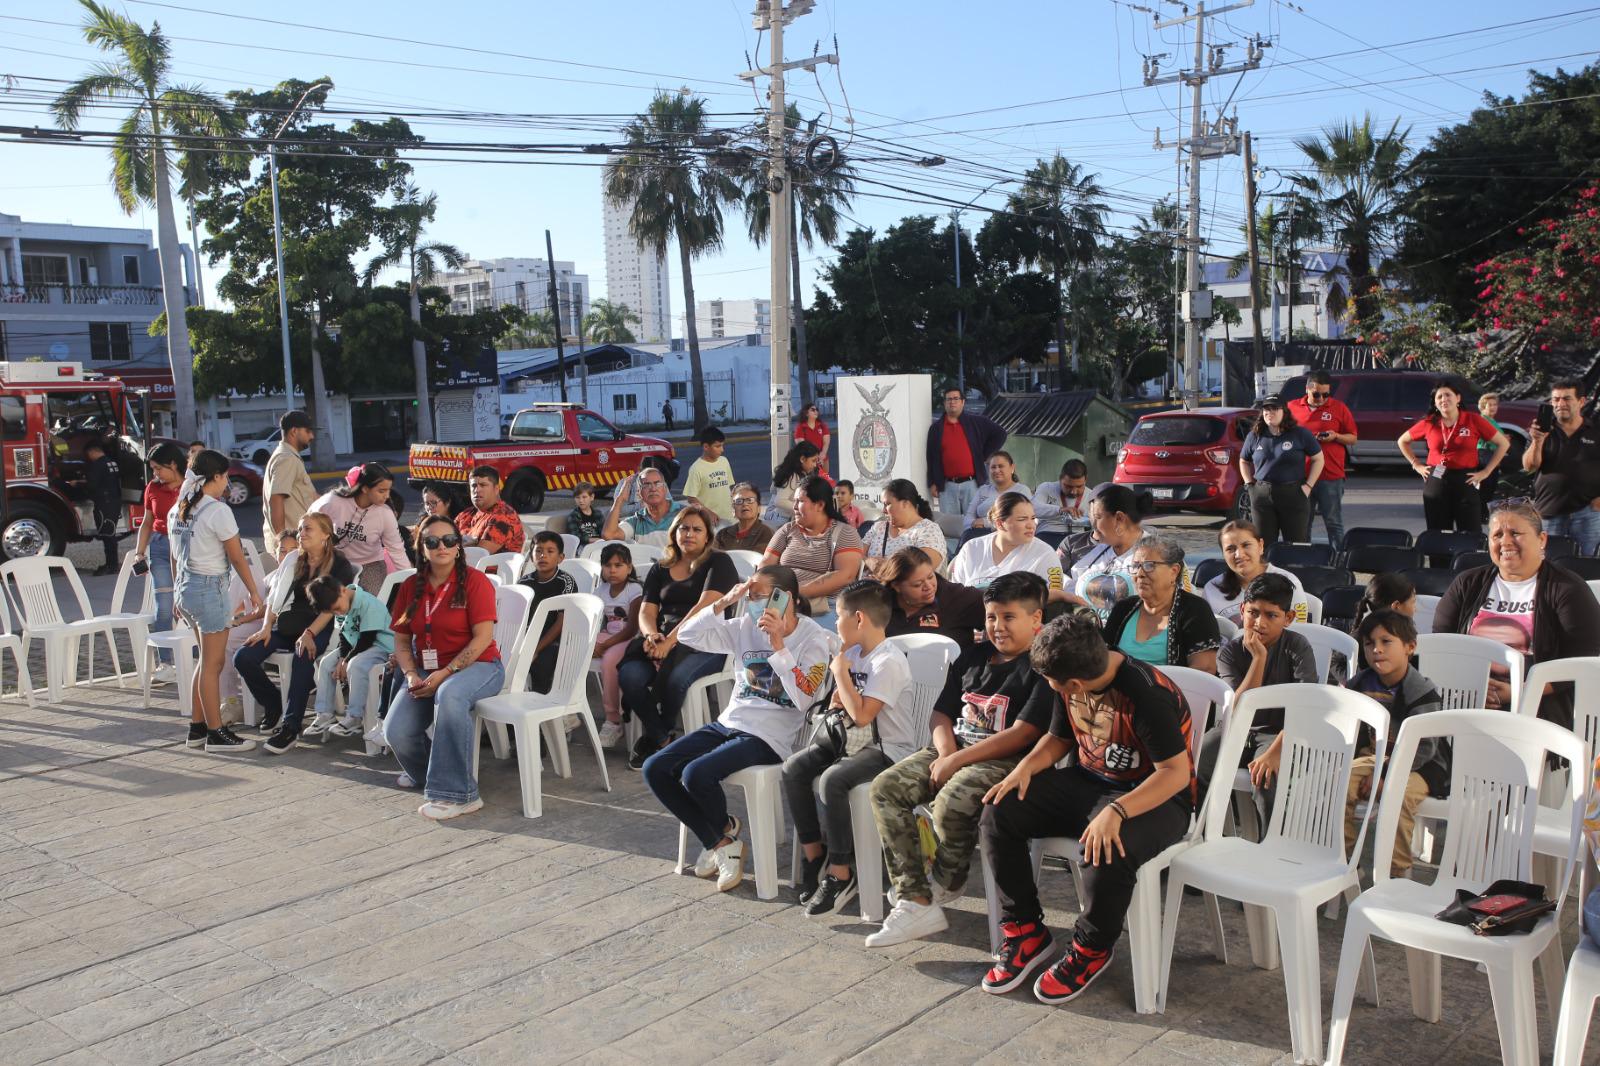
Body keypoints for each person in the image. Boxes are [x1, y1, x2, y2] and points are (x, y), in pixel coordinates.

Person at [978, 613, 1194, 1004]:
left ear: (1074, 684)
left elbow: (1175, 774)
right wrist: (1023, 770)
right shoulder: (1074, 675)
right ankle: (1025, 930)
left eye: (1051, 683)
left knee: (1107, 843)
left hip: (1156, 796)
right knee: (1000, 811)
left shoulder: (1145, 695)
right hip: (1091, 782)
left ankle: (1091, 948)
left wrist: (1118, 811)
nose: (1049, 686)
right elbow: (1058, 738)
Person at [865, 573, 1054, 948]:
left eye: (1008, 617)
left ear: (1036, 620)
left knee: (954, 798)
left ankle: (946, 881)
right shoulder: (972, 656)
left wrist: (957, 761)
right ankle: (915, 897)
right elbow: (941, 714)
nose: (997, 627)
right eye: (991, 617)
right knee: (886, 788)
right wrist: (947, 753)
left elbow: (1023, 734)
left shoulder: (1042, 666)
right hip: (953, 748)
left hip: (1008, 760)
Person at [644, 565, 832, 892]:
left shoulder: (814, 638)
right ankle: (721, 840)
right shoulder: (746, 625)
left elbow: (804, 698)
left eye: (759, 596)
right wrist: (723, 603)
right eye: (751, 594)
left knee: (696, 774)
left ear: (786, 597)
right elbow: (688, 636)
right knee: (655, 768)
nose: (753, 602)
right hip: (729, 722)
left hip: (769, 736)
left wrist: (778, 645)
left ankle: (718, 840)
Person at [783, 581, 914, 916]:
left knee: (833, 780)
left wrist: (840, 674)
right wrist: (840, 689)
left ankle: (841, 871)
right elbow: (845, 707)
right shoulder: (854, 652)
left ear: (858, 618)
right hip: (850, 740)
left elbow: (863, 714)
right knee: (795, 768)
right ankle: (816, 856)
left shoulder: (888, 661)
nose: (835, 624)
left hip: (888, 749)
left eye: (838, 616)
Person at [1434, 499, 1600, 721]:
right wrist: (1472, 689)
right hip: (1468, 697)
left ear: (1542, 539)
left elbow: (1581, 661)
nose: (1506, 542)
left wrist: (1517, 691)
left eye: (1515, 533)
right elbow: (1442, 645)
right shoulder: (1467, 583)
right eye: (1497, 535)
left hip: (1539, 706)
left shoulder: (1568, 589)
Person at [385, 516, 505, 819]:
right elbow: (401, 642)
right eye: (432, 541)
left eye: (450, 540)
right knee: (396, 731)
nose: (442, 547)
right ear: (421, 548)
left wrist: (445, 673)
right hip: (427, 669)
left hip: (478, 665)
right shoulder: (411, 586)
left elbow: (482, 639)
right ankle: (434, 776)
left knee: (450, 695)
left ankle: (461, 794)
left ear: (459, 546)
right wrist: (412, 674)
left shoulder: (475, 582)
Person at [619, 505, 739, 768]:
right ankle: (662, 739)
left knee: (676, 680)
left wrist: (671, 641)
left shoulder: (719, 562)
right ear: (674, 532)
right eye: (684, 528)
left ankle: (656, 734)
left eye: (697, 529)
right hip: (664, 639)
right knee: (629, 676)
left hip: (708, 641)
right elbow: (647, 610)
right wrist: (652, 637)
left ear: (707, 536)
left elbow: (704, 608)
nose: (689, 534)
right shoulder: (661, 567)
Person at [1196, 573, 1319, 825]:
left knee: (1265, 777)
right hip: (1236, 729)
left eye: (1271, 615)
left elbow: (1306, 708)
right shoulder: (1230, 651)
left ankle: (1269, 846)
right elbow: (1239, 710)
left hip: (1283, 733)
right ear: (1242, 610)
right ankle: (1206, 835)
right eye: (1253, 612)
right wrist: (1258, 659)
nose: (1259, 623)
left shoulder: (1297, 647)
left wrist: (1277, 751)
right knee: (1195, 762)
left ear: (1288, 618)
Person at [236, 512, 357, 754]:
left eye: (308, 529)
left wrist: (309, 633)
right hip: (289, 624)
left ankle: (290, 727)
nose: (301, 534)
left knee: (303, 655)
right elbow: (275, 597)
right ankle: (273, 705)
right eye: (300, 529)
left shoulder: (340, 564)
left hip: (320, 625)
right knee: (243, 657)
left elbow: (332, 608)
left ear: (325, 535)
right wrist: (266, 627)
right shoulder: (294, 559)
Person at [1343, 609, 1447, 878]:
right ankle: (1345, 863)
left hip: (1419, 765)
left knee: (1395, 797)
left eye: (1386, 641)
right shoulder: (1358, 685)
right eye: (1369, 643)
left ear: (1409, 647)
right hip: (1374, 757)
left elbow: (1424, 748)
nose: (1376, 649)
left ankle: (1397, 873)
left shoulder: (1422, 692)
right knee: (1338, 786)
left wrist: (1385, 776)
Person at [170, 450, 261, 753]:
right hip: (209, 590)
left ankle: (197, 728)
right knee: (214, 664)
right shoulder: (217, 511)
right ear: (218, 476)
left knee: (205, 661)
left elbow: (176, 557)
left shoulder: (179, 509)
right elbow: (236, 556)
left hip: (186, 589)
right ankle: (215, 732)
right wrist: (253, 591)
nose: (228, 484)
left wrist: (176, 591)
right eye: (226, 478)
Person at [1397, 379, 1510, 535]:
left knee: (1470, 533)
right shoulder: (1429, 423)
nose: (1444, 400)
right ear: (1435, 403)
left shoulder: (1473, 420)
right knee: (1437, 533)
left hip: (1466, 479)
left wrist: (1487, 471)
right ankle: (1439, 560)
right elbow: (1402, 441)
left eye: (1448, 395)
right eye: (1439, 397)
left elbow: (1503, 444)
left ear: (1458, 398)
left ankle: (1467, 560)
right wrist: (1416, 464)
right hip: (1436, 478)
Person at [1101, 536, 1220, 673]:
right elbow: (1102, 659)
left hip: (1173, 691)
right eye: (1135, 566)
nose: (1139, 574)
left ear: (1174, 572)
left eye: (1149, 565)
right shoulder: (1124, 608)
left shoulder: (1195, 610)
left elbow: (1204, 669)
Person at [304, 574, 397, 741]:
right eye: (333, 611)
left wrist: (346, 660)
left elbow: (367, 640)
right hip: (356, 646)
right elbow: (344, 635)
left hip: (381, 646)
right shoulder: (338, 601)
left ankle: (355, 716)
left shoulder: (368, 603)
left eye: (337, 608)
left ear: (343, 591)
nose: (338, 613)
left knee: (356, 665)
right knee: (326, 663)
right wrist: (341, 658)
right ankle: (325, 713)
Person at [761, 475, 865, 618]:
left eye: (800, 501)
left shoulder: (845, 533)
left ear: (820, 505)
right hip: (782, 603)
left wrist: (796, 594)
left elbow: (845, 575)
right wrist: (767, 591)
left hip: (825, 608)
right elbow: (766, 563)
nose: (794, 507)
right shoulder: (787, 530)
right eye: (794, 501)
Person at [1523, 380, 1600, 556]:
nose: (1560, 404)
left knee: (1588, 567)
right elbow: (1529, 467)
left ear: (1581, 401)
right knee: (1548, 567)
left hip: (1588, 514)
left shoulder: (1596, 431)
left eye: (1566, 399)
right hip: (1548, 512)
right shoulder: (1541, 430)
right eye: (1556, 399)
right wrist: (1537, 441)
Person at [131, 441, 187, 678]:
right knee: (164, 607)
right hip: (160, 546)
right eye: (152, 469)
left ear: (173, 464)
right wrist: (139, 552)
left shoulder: (191, 487)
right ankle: (166, 664)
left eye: (158, 468)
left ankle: (193, 658)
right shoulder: (152, 488)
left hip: (187, 546)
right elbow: (147, 521)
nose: (155, 474)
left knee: (187, 604)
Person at [1239, 394, 1324, 546]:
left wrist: (1308, 485)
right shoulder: (1255, 435)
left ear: (1284, 411)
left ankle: (1293, 570)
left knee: (1296, 546)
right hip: (1262, 495)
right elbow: (1243, 460)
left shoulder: (1300, 434)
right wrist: (1249, 485)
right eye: (1266, 409)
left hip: (1293, 494)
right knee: (1263, 545)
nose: (1269, 412)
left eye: (1274, 408)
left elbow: (1318, 459)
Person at [309, 462, 407, 594]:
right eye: (381, 491)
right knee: (329, 602)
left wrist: (410, 579)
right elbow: (308, 522)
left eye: (388, 490)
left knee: (369, 605)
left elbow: (396, 549)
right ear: (365, 488)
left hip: (371, 565)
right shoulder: (333, 501)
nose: (387, 496)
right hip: (335, 562)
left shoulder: (385, 514)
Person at [1287, 370, 1358, 550]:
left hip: (1330, 475)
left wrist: (1335, 436)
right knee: (1303, 522)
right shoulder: (1292, 407)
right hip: (1301, 475)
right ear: (1307, 390)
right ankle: (1304, 557)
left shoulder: (1339, 407)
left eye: (1326, 394)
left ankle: (1339, 560)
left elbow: (1353, 437)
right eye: (1317, 394)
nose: (1321, 399)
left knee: (1333, 521)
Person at [1060, 485, 1157, 617]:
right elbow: (1072, 586)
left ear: (1119, 518)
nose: (1093, 524)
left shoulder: (1159, 555)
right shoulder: (1099, 551)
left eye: (1098, 517)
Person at [949, 492, 1064, 595]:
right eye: (1022, 519)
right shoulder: (971, 548)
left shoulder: (1045, 554)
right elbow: (957, 595)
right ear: (1000, 523)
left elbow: (1053, 598)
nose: (1031, 525)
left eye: (1033, 518)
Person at [1200, 520, 1309, 626]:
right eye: (1230, 549)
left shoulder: (1289, 583)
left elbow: (1300, 632)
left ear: (1260, 546)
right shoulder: (1211, 590)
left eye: (1246, 545)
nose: (1239, 555)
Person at [925, 385, 1007, 519]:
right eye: (949, 399)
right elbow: (931, 457)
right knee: (950, 526)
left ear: (963, 402)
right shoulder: (936, 428)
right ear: (944, 403)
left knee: (974, 522)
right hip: (947, 486)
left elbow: (1000, 434)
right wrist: (932, 482)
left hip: (972, 484)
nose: (952, 402)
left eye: (956, 399)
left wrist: (984, 455)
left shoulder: (976, 422)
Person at [593, 543, 644, 749]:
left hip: (629, 639)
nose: (612, 570)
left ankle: (613, 719)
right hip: (608, 635)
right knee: (573, 649)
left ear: (629, 568)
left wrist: (604, 645)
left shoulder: (634, 590)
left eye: (618, 565)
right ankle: (568, 710)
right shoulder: (600, 590)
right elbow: (595, 622)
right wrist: (592, 642)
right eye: (607, 565)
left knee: (609, 661)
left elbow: (632, 628)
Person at [518, 531, 580, 695]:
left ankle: (541, 704)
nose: (543, 555)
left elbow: (561, 622)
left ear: (561, 558)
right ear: (531, 556)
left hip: (557, 639)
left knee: (541, 664)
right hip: (530, 638)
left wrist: (536, 649)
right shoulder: (524, 582)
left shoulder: (566, 582)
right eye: (538, 551)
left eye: (550, 551)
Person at [861, 479, 946, 576]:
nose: (884, 510)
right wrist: (869, 561)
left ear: (905, 503)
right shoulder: (879, 527)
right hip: (868, 588)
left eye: (887, 504)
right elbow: (854, 556)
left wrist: (884, 567)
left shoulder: (929, 530)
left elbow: (921, 569)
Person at [262, 410, 316, 560]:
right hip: (292, 546)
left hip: (294, 544)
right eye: (308, 431)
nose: (312, 436)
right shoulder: (287, 458)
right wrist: (283, 541)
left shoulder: (287, 456)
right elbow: (276, 499)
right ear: (294, 431)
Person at [603, 464, 684, 547]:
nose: (653, 489)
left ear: (665, 488)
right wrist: (619, 499)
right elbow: (609, 535)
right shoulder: (637, 521)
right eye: (646, 485)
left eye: (657, 484)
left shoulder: (684, 514)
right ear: (639, 493)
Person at [455, 466, 525, 554]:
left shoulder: (503, 516)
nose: (477, 490)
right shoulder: (467, 514)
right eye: (473, 485)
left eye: (483, 485)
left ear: (496, 489)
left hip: (490, 567)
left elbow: (479, 555)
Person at [79, 438, 123, 576]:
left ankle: (111, 565)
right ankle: (112, 564)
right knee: (110, 533)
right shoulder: (112, 462)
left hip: (104, 503)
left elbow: (92, 484)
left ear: (92, 452)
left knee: (107, 535)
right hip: (114, 501)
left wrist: (79, 484)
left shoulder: (98, 465)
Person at [963, 450, 1030, 537]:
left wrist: (985, 523)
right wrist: (973, 524)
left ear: (1012, 468)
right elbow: (969, 515)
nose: (997, 470)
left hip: (1008, 537)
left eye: (1001, 466)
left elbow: (1019, 519)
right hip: (977, 534)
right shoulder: (983, 490)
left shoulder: (1021, 491)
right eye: (993, 467)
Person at [1032, 459, 1090, 548]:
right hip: (1048, 533)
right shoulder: (1046, 488)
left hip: (1077, 536)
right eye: (1068, 486)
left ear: (1086, 480)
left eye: (1079, 486)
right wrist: (1060, 510)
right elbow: (1033, 509)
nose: (1074, 492)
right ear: (1060, 479)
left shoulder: (1091, 495)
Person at [682, 426, 735, 523]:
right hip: (711, 521)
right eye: (717, 446)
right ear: (706, 447)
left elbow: (729, 487)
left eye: (722, 445)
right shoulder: (696, 468)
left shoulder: (724, 461)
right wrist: (707, 512)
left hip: (730, 517)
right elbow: (691, 498)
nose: (722, 450)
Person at [767, 441, 824, 525]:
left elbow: (773, 490)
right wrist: (803, 509)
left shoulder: (793, 471)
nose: (815, 465)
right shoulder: (792, 476)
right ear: (802, 459)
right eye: (813, 461)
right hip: (782, 521)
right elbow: (779, 501)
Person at [714, 483, 775, 553]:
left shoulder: (766, 533)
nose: (745, 504)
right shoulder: (722, 534)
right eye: (739, 501)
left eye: (750, 500)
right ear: (733, 510)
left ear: (759, 508)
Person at [1476, 392, 1504, 521]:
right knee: (1486, 486)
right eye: (1489, 405)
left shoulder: (1492, 420)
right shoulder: (1482, 420)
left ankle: (1484, 514)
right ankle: (1481, 515)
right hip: (1484, 455)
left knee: (1491, 486)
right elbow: (1487, 437)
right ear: (1482, 406)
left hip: (1493, 454)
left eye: (1495, 404)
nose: (1493, 407)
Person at [794, 402, 831, 476]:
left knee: (824, 481)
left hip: (822, 459)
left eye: (817, 410)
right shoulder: (801, 427)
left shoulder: (822, 426)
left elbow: (826, 442)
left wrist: (822, 454)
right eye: (813, 410)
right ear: (806, 413)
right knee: (809, 483)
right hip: (808, 460)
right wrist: (814, 458)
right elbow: (801, 445)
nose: (816, 411)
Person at [566, 482, 605, 548]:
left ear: (592, 497)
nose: (581, 500)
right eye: (577, 497)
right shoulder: (573, 516)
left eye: (584, 497)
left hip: (599, 543)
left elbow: (604, 532)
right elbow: (576, 537)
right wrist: (594, 540)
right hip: (583, 545)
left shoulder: (598, 514)